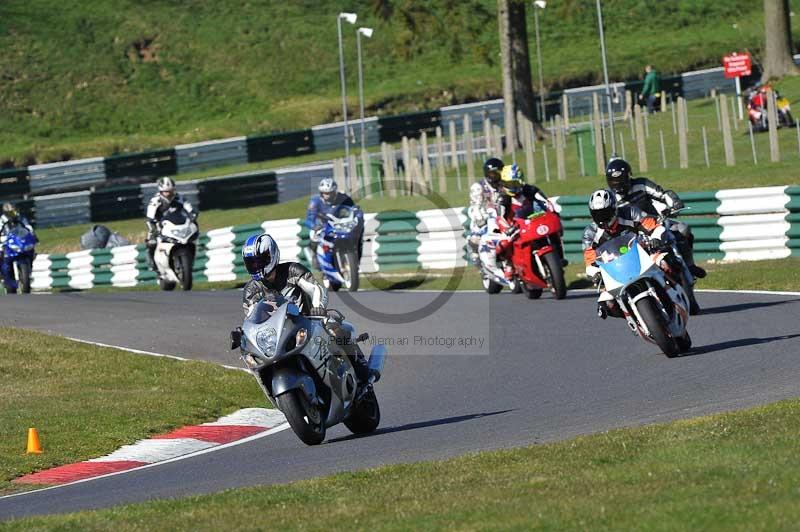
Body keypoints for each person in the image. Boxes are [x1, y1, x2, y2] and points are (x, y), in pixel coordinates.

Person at [241, 232, 369, 384]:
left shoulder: (292, 271)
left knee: (333, 325)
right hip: (278, 335)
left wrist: (318, 308)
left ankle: (361, 367)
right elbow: (251, 317)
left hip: (310, 322)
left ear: (271, 256)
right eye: (252, 263)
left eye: (259, 261)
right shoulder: (251, 290)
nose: (256, 267)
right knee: (254, 360)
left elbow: (316, 289)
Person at [605, 158, 706, 280]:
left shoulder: (641, 184)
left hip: (657, 223)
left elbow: (662, 194)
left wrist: (674, 202)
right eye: (614, 181)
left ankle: (690, 265)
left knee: (683, 229)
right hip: (631, 236)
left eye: (621, 179)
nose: (618, 183)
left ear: (628, 176)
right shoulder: (610, 199)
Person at [582, 189, 675, 318]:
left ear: (614, 209)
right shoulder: (590, 233)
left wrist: (655, 238)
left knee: (666, 262)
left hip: (643, 254)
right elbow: (589, 260)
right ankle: (635, 318)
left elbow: (653, 226)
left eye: (605, 213)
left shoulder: (630, 213)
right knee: (606, 303)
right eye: (598, 214)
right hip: (614, 268)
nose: (602, 218)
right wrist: (594, 272)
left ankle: (677, 290)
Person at [305, 178, 359, 268]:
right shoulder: (315, 201)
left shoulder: (343, 198)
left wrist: (356, 214)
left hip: (341, 224)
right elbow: (309, 218)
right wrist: (314, 226)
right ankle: (314, 254)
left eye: (330, 193)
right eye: (325, 193)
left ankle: (353, 256)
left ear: (334, 191)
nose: (327, 195)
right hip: (322, 225)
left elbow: (354, 209)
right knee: (313, 235)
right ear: (321, 193)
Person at [145, 177, 196, 271]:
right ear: (161, 191)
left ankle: (189, 262)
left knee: (191, 240)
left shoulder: (180, 198)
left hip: (178, 225)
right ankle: (153, 265)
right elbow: (150, 217)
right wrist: (154, 227)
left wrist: (193, 216)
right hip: (159, 226)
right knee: (152, 243)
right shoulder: (155, 201)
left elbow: (190, 210)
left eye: (170, 191)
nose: (168, 194)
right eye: (166, 192)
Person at [467, 158, 505, 265]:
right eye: (494, 173)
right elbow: (475, 207)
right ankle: (477, 255)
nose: (497, 176)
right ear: (488, 174)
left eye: (500, 172)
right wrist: (482, 218)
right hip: (487, 219)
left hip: (505, 215)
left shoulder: (506, 183)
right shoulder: (479, 187)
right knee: (476, 237)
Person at [0, 202, 37, 293]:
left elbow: (28, 227)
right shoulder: (1, 220)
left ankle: (28, 269)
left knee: (31, 250)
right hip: (5, 243)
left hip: (18, 242)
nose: (13, 214)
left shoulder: (21, 218)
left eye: (14, 211)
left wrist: (31, 233)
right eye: (10, 212)